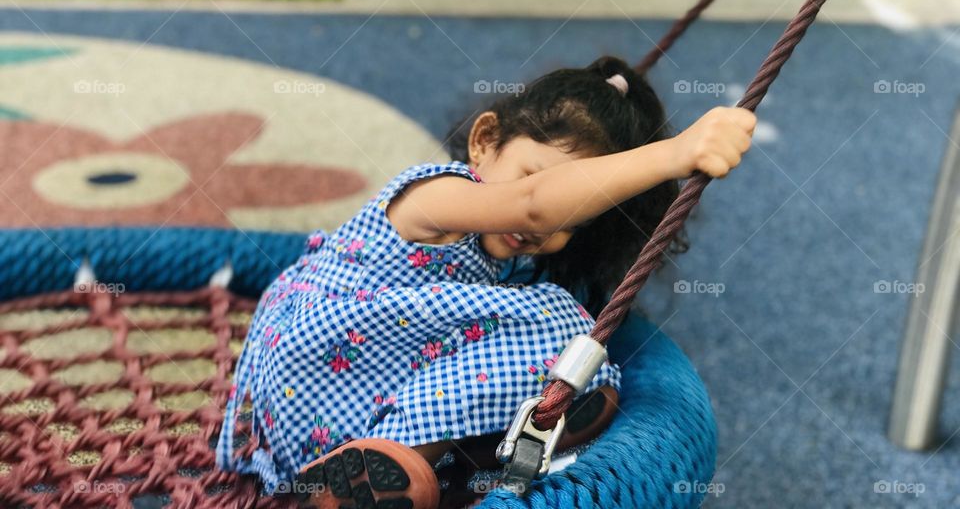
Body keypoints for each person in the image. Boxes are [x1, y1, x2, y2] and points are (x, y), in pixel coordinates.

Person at [216, 55, 756, 509]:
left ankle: (403, 469)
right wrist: (673, 154)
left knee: (564, 348)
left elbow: (538, 212)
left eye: (573, 221)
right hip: (306, 372)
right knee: (556, 323)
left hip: (332, 414)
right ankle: (395, 461)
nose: (546, 226)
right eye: (535, 175)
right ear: (484, 140)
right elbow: (532, 209)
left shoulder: (498, 253)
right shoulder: (438, 195)